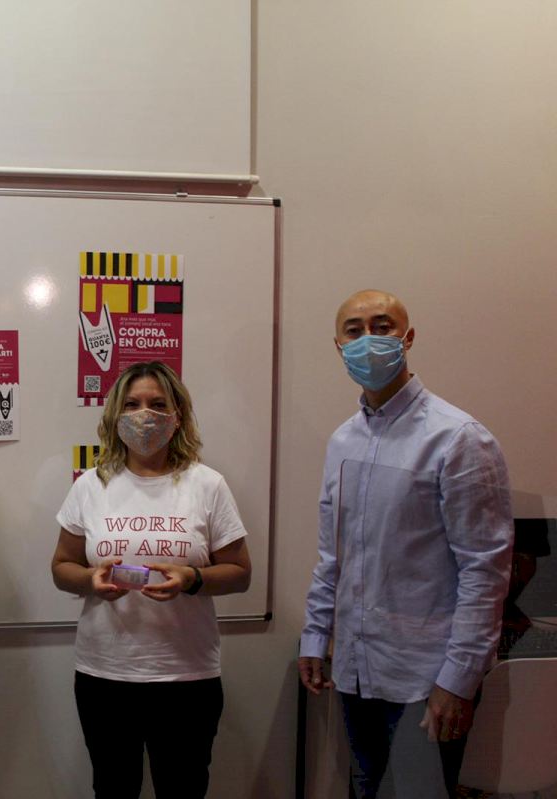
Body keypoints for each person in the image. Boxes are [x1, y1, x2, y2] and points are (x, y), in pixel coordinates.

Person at [298, 289, 513, 799]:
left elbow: (484, 571)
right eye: (354, 331)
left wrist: (458, 680)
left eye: (382, 326)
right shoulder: (343, 441)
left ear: (407, 337)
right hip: (355, 671)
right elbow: (333, 555)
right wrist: (315, 635)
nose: (368, 340)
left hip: (425, 679)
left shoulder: (458, 438)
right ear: (338, 345)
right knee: (369, 789)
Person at [51, 360, 252, 799]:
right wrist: (90, 580)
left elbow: (240, 573)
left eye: (158, 404)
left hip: (186, 677)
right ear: (114, 415)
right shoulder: (91, 485)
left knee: (183, 789)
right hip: (105, 675)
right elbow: (62, 566)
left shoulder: (207, 484)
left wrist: (192, 578)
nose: (145, 414)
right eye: (132, 404)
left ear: (177, 416)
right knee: (113, 788)